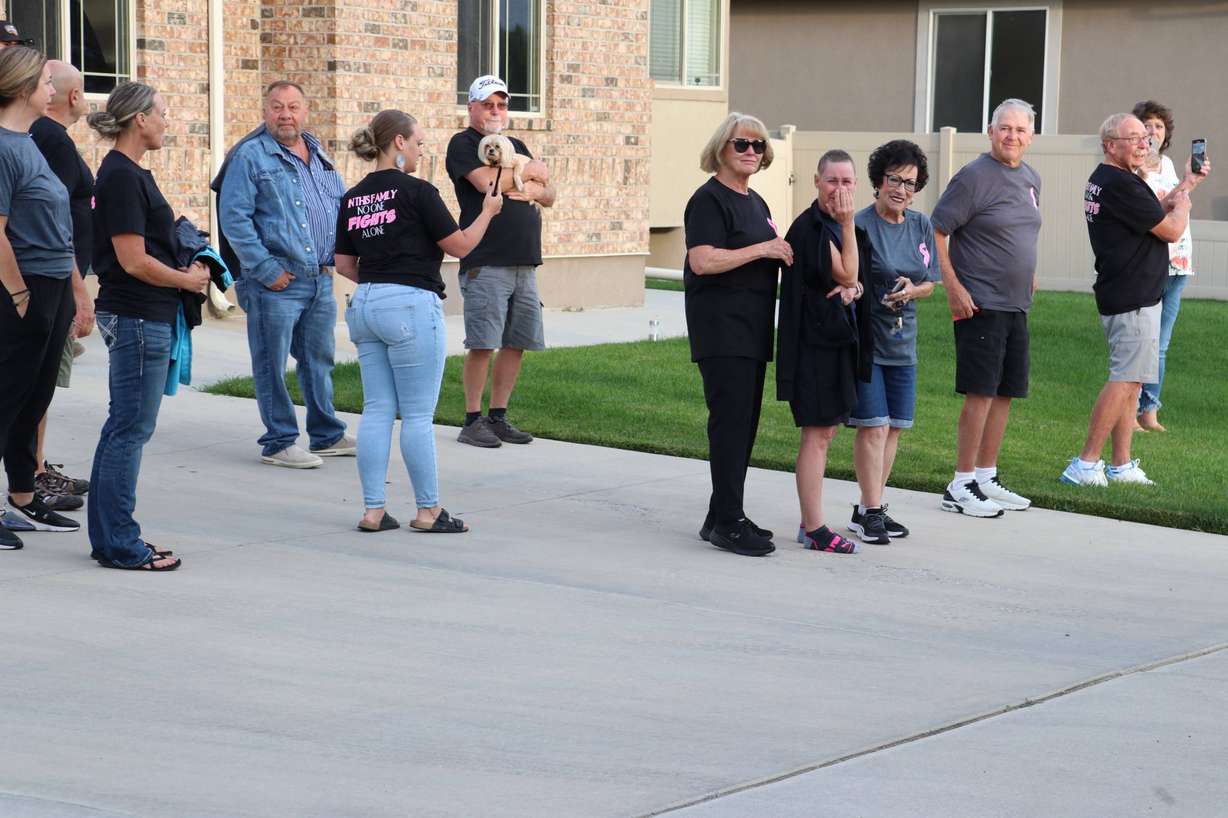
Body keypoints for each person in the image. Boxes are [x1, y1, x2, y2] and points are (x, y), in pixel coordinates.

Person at [335, 110, 502, 533]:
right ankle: (428, 511)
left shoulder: (354, 196)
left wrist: (379, 279)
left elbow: (342, 263)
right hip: (410, 305)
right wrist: (487, 211)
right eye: (419, 142)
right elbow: (461, 245)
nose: (422, 149)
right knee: (416, 415)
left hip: (366, 303)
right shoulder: (418, 191)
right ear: (399, 144)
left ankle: (374, 510)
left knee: (376, 410)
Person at [86, 81, 209, 570]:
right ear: (139, 118)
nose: (166, 121)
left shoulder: (130, 173)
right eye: (161, 112)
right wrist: (185, 279)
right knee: (130, 429)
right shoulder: (119, 176)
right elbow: (132, 260)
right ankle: (119, 542)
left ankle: (111, 538)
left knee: (124, 427)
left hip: (145, 314)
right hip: (137, 314)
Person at [1061, 113, 1206, 488]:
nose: (1145, 144)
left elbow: (1153, 214)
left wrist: (1186, 184)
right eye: (1135, 138)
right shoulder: (1120, 184)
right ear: (1111, 145)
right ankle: (1085, 462)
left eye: (1146, 138)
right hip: (1132, 295)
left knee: (1135, 382)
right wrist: (1185, 207)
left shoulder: (1112, 180)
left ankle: (1121, 465)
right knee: (1124, 379)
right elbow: (1171, 228)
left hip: (1133, 291)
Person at [217, 80, 354, 469]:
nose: (285, 114)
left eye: (293, 107)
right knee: (270, 362)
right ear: (265, 111)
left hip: (319, 279)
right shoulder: (249, 156)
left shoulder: (319, 153)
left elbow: (337, 209)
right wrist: (264, 269)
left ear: (305, 111)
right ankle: (279, 441)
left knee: (319, 360)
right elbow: (234, 219)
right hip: (276, 281)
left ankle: (327, 434)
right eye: (277, 107)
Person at [931, 98, 1042, 519]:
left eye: (1020, 130)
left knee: (1005, 393)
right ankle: (959, 483)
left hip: (1016, 304)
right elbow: (939, 228)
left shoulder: (1030, 177)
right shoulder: (974, 177)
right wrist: (952, 286)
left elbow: (1022, 229)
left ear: (1030, 136)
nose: (1012, 136)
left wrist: (1029, 271)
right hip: (980, 302)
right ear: (990, 132)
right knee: (980, 393)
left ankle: (985, 476)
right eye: (1004, 128)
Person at [684, 112, 789, 557]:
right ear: (721, 150)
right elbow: (703, 261)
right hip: (722, 331)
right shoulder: (709, 200)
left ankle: (722, 514)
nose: (751, 152)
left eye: (758, 146)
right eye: (741, 144)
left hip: (752, 331)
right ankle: (729, 523)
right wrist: (764, 248)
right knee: (729, 426)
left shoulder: (757, 202)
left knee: (744, 427)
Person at [445, 75, 555, 448]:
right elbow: (485, 184)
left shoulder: (517, 143)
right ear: (472, 107)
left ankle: (499, 417)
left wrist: (533, 183)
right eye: (488, 104)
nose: (495, 111)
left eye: (502, 105)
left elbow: (551, 193)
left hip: (525, 262)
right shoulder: (463, 144)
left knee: (516, 341)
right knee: (483, 342)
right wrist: (526, 175)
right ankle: (472, 420)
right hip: (486, 261)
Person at [0, 47, 80, 551]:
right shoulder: (3, 147)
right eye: (46, 82)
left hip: (50, 285)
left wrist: (72, 290)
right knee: (7, 397)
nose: (53, 91)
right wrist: (19, 293)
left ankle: (25, 496)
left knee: (35, 396)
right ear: (25, 87)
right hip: (22, 287)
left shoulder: (27, 141)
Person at [777, 150, 869, 555]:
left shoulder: (839, 228)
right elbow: (847, 271)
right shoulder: (811, 227)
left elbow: (860, 279)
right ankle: (814, 529)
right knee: (815, 436)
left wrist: (855, 288)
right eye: (832, 181)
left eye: (847, 182)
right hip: (810, 347)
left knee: (827, 432)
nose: (840, 190)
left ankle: (807, 521)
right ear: (816, 181)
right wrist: (849, 227)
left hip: (834, 344)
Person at [847, 140, 938, 545]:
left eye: (910, 183)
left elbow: (930, 283)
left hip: (904, 341)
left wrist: (912, 292)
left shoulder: (920, 225)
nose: (902, 190)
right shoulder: (860, 224)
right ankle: (870, 512)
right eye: (895, 180)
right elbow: (846, 275)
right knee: (873, 427)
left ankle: (871, 505)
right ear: (878, 180)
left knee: (896, 428)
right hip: (867, 340)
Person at [29, 59, 93, 509]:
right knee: (40, 379)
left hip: (56, 277)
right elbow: (57, 221)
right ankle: (31, 474)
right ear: (73, 97)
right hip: (53, 279)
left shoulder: (45, 138)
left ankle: (35, 465)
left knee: (43, 379)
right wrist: (77, 289)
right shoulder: (51, 140)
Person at [1132, 100, 1196, 433]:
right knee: (1142, 340)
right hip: (1150, 262)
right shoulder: (1131, 166)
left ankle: (1149, 411)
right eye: (1147, 125)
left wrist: (1188, 181)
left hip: (1179, 260)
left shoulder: (1168, 164)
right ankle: (1129, 411)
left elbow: (1178, 198)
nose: (1153, 131)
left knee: (1162, 343)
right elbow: (1157, 206)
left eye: (1158, 126)